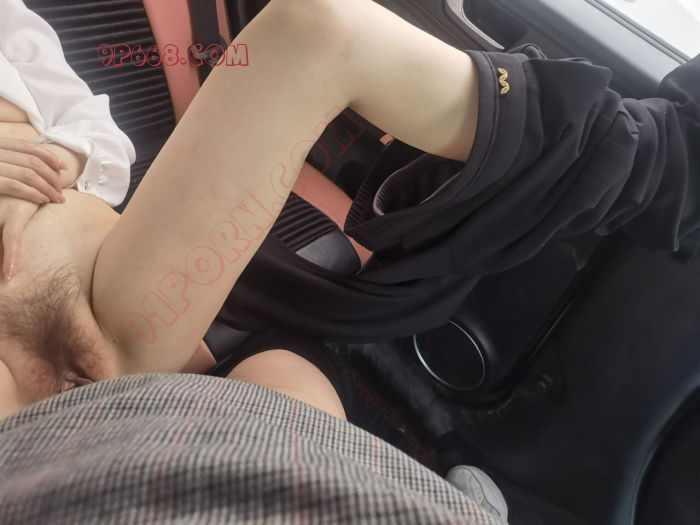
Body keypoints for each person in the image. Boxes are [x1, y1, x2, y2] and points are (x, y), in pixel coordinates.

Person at [0, 0, 699, 522]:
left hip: (109, 287)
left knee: (314, 30)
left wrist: (71, 153)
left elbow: (93, 128)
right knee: (286, 431)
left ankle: (658, 162)